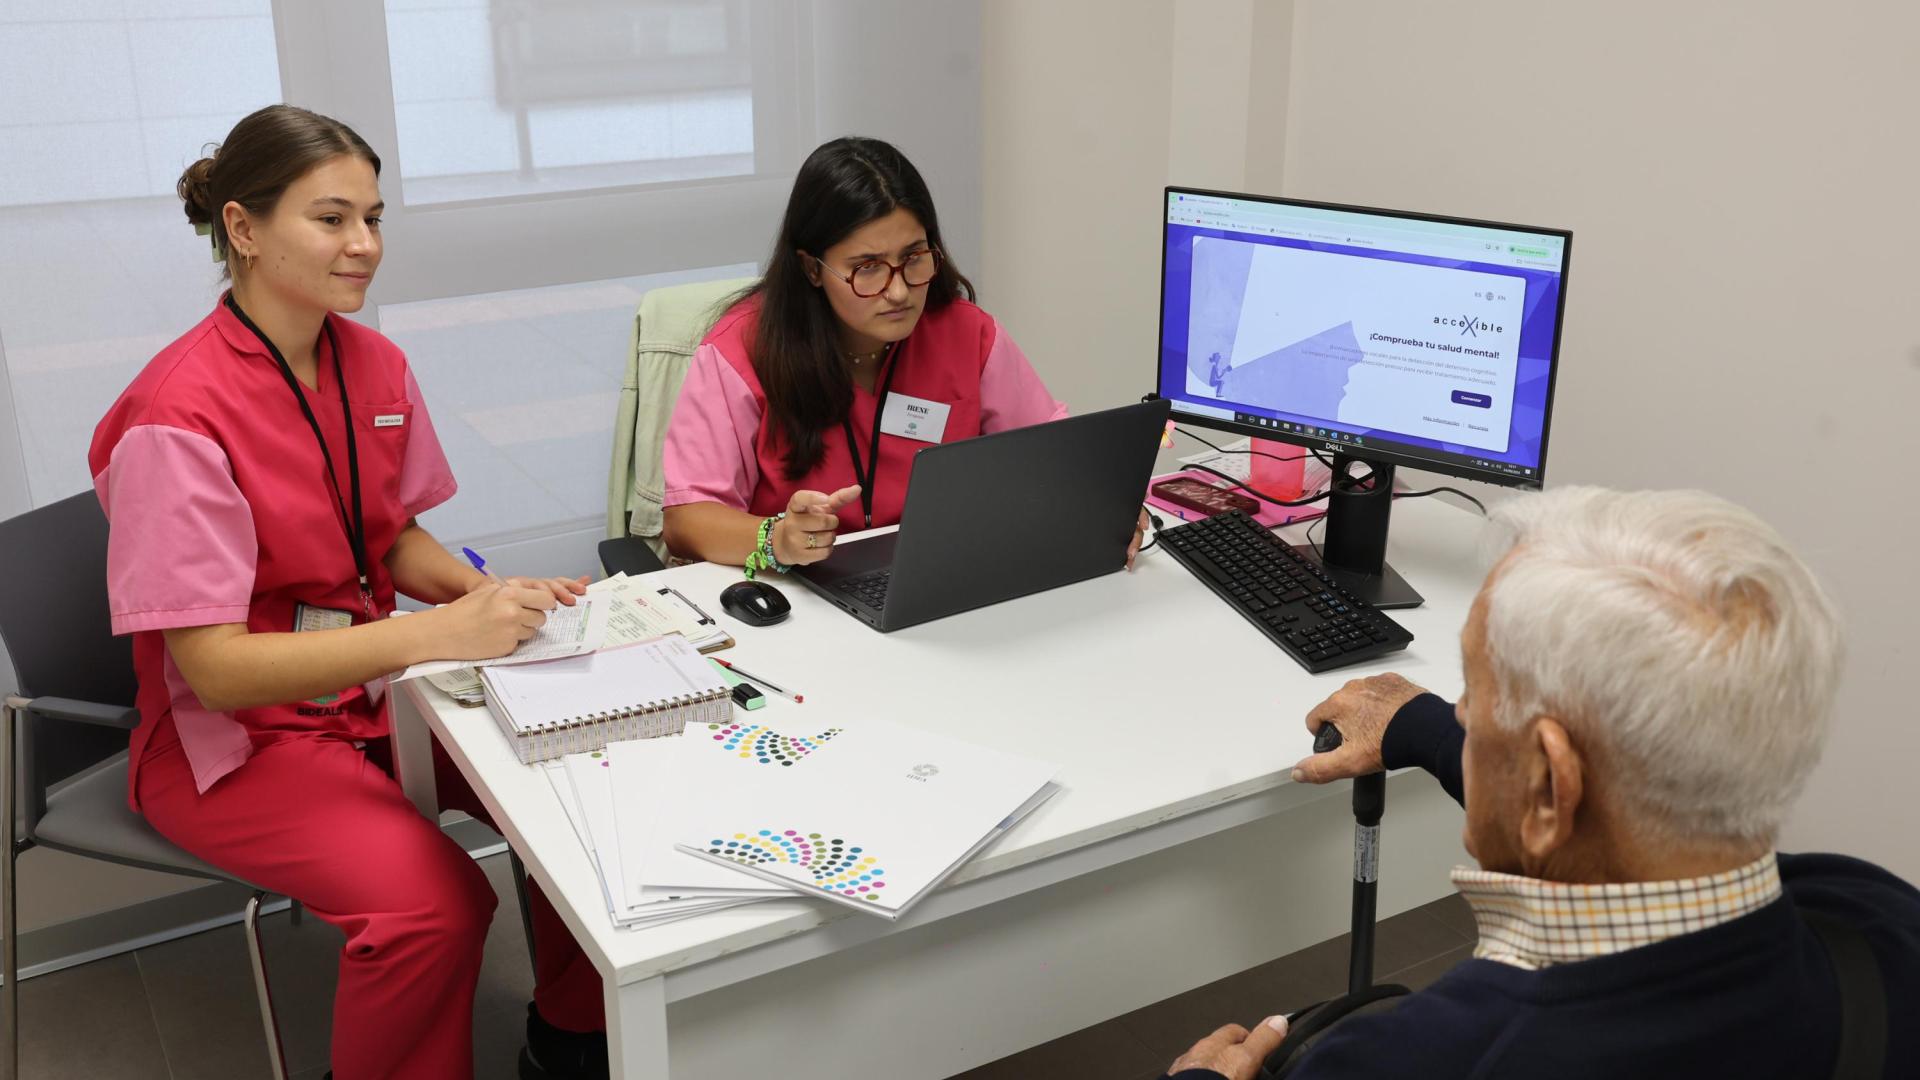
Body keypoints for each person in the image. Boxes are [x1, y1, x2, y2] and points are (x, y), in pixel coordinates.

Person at [89, 105, 609, 1080]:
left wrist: (490, 593)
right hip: (234, 742)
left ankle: (573, 1031)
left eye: (373, 218)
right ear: (243, 229)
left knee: (574, 790)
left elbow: (390, 536)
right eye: (332, 219)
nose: (364, 245)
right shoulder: (177, 414)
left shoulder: (371, 362)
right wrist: (432, 637)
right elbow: (215, 669)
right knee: (438, 906)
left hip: (365, 699)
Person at [1164, 487, 1920, 1079]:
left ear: (1550, 788)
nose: (1461, 713)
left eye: (1474, 694)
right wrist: (1421, 725)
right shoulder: (1878, 920)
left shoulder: (1422, 1059)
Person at [660, 136, 1146, 572]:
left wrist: (1105, 503)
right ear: (811, 269)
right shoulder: (741, 351)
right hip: (800, 595)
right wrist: (777, 538)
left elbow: (1055, 454)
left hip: (934, 581)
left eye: (913, 258)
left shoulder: (966, 334)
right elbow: (687, 519)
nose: (898, 292)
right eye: (867, 268)